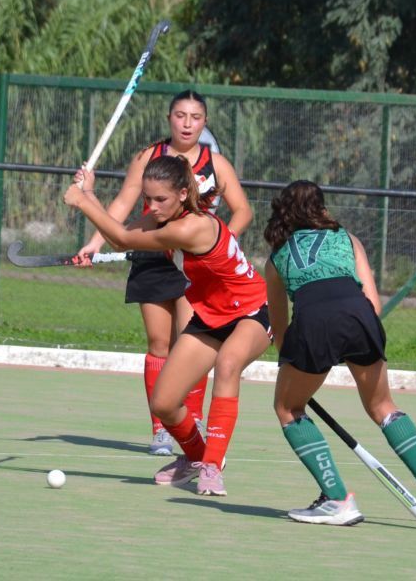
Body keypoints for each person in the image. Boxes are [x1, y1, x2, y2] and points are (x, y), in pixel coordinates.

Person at [263, 180, 416, 526]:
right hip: (360, 316)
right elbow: (373, 304)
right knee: (383, 407)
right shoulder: (348, 238)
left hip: (313, 323)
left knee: (287, 407)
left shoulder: (276, 258)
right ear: (322, 209)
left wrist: (294, 364)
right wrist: (350, 338)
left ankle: (338, 499)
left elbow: (280, 327)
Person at [65, 155, 270, 496]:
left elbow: (125, 240)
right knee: (164, 403)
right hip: (211, 317)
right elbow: (120, 236)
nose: (153, 206)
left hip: (250, 312)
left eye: (160, 199)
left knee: (228, 364)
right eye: (148, 199)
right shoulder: (165, 218)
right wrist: (91, 194)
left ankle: (213, 467)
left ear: (182, 193)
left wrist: (83, 202)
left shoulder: (192, 226)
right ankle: (195, 457)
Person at [76, 91, 253, 457]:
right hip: (155, 258)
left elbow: (242, 211)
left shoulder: (216, 164)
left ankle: (194, 419)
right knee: (159, 344)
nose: (187, 124)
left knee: (193, 342)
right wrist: (94, 243)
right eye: (180, 115)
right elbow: (125, 203)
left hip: (197, 268)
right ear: (169, 118)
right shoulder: (148, 157)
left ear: (205, 121)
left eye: (196, 117)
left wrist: (218, 245)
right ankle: (161, 430)